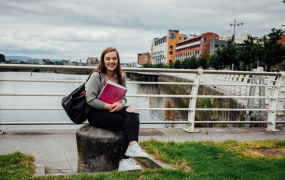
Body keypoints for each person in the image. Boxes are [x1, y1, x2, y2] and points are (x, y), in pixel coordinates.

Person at [86, 47, 148, 171]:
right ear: (103, 61)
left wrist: (121, 104)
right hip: (96, 113)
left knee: (133, 110)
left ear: (118, 60)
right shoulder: (96, 76)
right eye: (108, 59)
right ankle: (124, 161)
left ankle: (133, 145)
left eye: (114, 58)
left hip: (115, 108)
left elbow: (123, 97)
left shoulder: (121, 76)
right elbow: (90, 99)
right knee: (127, 123)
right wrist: (110, 106)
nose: (111, 61)